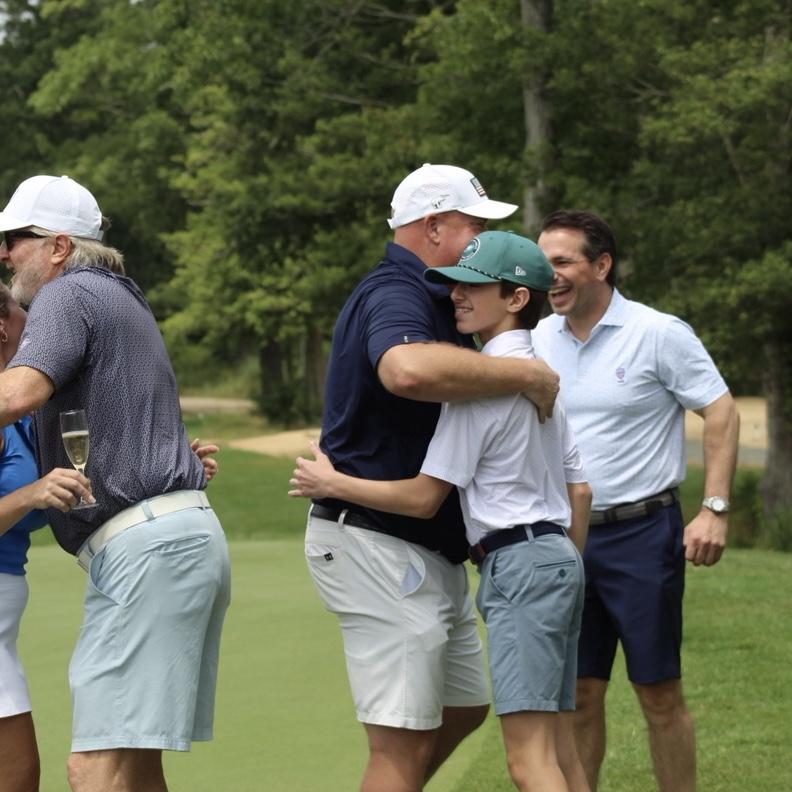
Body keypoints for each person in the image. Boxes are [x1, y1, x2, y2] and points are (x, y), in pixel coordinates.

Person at [292, 231, 592, 792]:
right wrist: (561, 563)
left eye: (475, 286)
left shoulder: (476, 393)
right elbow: (581, 489)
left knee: (530, 759)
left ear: (517, 299)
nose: (457, 294)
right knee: (560, 745)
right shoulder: (547, 381)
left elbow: (424, 498)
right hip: (557, 559)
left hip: (518, 563)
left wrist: (333, 482)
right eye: (456, 282)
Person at [0, 174, 231, 792]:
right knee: (135, 767)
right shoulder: (120, 294)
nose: (5, 253)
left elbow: (20, 392)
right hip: (176, 536)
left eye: (15, 238)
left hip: (145, 545)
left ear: (57, 246)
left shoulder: (67, 294)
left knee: (94, 768)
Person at [532, 210, 740, 792]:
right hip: (564, 536)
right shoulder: (535, 337)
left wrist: (714, 508)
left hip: (641, 535)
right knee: (578, 693)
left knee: (658, 692)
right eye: (543, 263)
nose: (551, 276)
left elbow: (721, 411)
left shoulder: (658, 332)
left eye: (563, 262)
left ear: (602, 265)